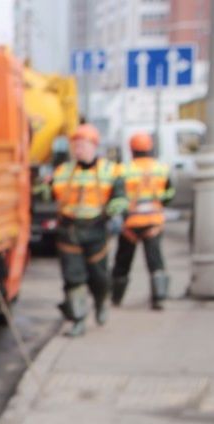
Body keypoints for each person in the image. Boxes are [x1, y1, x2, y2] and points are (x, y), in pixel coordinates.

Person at [51, 124, 128, 337]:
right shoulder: (62, 171)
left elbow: (120, 196)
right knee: (73, 277)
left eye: (83, 145)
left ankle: (102, 302)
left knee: (99, 276)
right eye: (75, 145)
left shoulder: (110, 170)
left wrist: (115, 209)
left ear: (94, 146)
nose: (79, 150)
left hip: (96, 230)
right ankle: (78, 319)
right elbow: (49, 194)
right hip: (70, 231)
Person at [111, 131, 175, 310]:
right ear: (150, 148)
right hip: (153, 222)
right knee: (155, 261)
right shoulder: (161, 168)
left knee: (123, 262)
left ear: (132, 150)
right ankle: (159, 298)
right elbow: (169, 195)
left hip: (129, 225)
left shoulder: (123, 170)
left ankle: (116, 298)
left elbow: (116, 198)